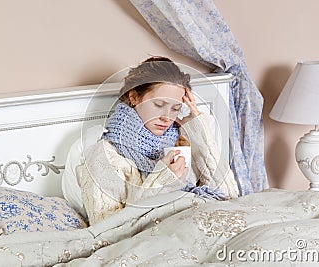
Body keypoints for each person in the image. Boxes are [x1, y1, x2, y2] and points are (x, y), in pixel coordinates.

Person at [78, 56, 239, 225]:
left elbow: (229, 196)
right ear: (134, 97)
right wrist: (162, 180)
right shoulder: (105, 156)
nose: (167, 117)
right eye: (159, 104)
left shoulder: (182, 143)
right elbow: (106, 230)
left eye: (175, 108)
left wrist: (198, 129)